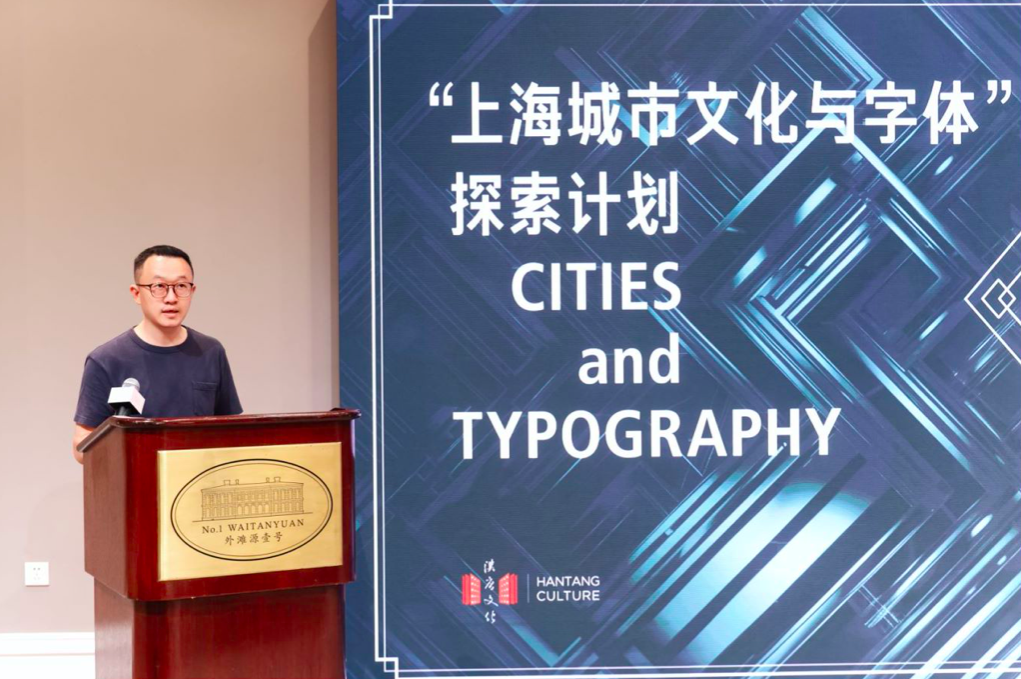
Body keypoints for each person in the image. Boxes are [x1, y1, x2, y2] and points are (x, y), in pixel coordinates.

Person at [72, 245, 243, 462]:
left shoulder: (210, 352)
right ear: (136, 293)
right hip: (139, 479)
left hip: (197, 478)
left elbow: (232, 432)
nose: (171, 298)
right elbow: (82, 446)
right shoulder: (107, 359)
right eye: (159, 286)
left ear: (192, 291)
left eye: (181, 286)